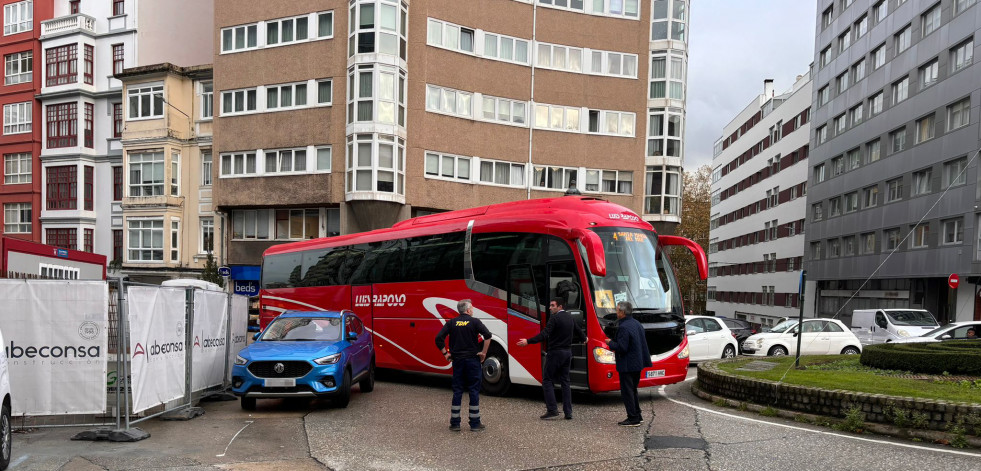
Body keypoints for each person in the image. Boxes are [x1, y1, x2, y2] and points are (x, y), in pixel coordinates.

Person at [517, 297, 585, 420]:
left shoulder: (554, 318)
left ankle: (552, 409)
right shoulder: (570, 317)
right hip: (567, 353)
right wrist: (584, 339)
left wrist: (528, 341)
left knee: (547, 380)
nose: (550, 307)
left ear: (560, 307)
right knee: (565, 382)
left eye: (553, 305)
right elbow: (579, 331)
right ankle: (568, 412)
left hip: (555, 353)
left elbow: (544, 334)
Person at [435, 299, 493, 432]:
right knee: (473, 390)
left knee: (457, 390)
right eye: (472, 308)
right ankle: (475, 423)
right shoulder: (475, 322)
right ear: (467, 310)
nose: (473, 310)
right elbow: (488, 336)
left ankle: (455, 423)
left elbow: (438, 338)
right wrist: (483, 353)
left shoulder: (452, 323)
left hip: (458, 361)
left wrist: (446, 354)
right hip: (472, 361)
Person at [604, 301, 652, 427]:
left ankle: (633, 418)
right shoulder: (636, 323)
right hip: (637, 363)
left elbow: (622, 347)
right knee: (633, 390)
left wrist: (609, 343)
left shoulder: (624, 327)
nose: (616, 312)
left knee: (627, 392)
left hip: (627, 364)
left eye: (617, 310)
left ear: (623, 312)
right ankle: (637, 415)